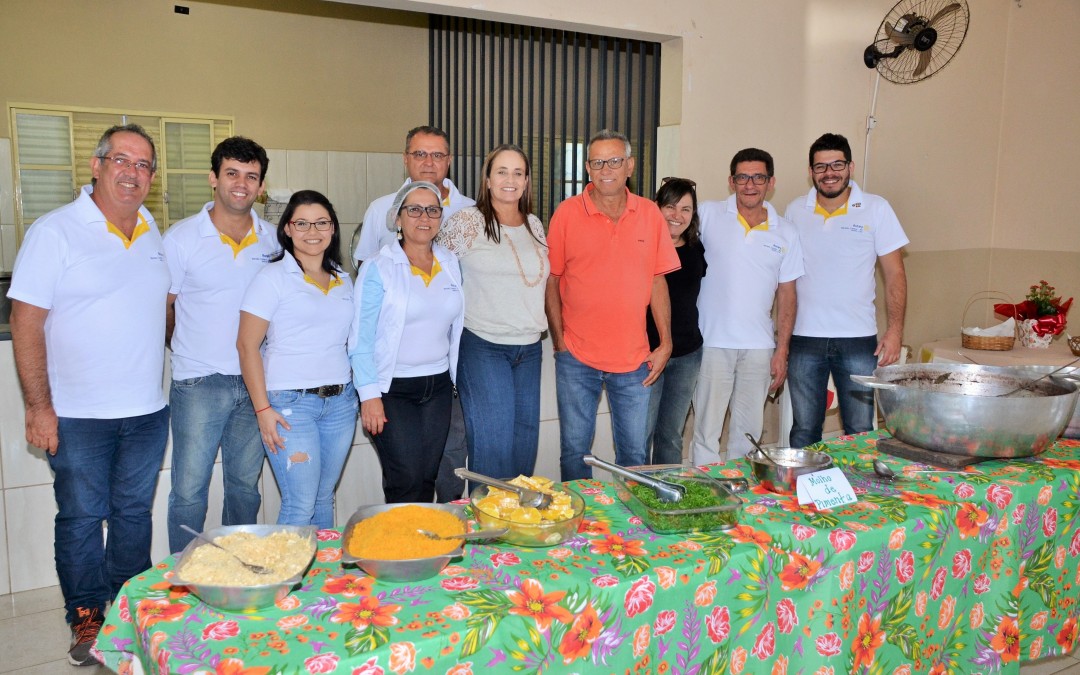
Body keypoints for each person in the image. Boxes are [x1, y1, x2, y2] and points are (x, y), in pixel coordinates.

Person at [8, 124, 170, 666]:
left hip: (147, 412)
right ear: (97, 166)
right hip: (78, 416)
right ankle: (86, 617)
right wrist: (38, 407)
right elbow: (26, 323)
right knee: (80, 516)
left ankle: (129, 611)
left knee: (131, 516)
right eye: (121, 160)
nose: (133, 172)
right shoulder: (55, 231)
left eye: (144, 164)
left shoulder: (150, 229)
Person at [164, 136, 280, 553]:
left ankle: (236, 569)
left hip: (255, 385)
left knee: (245, 489)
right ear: (213, 178)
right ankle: (180, 577)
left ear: (261, 186)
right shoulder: (181, 239)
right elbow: (166, 307)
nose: (241, 184)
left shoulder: (273, 241)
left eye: (252, 177)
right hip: (199, 382)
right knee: (190, 490)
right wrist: (187, 349)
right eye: (232, 173)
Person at [546, 129, 680, 481]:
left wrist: (665, 342)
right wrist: (560, 344)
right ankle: (582, 530)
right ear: (588, 168)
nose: (606, 169)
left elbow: (657, 281)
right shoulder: (567, 214)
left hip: (634, 361)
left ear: (630, 166)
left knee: (634, 455)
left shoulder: (650, 215)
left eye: (615, 160)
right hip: (577, 358)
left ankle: (631, 532)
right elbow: (553, 280)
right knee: (575, 452)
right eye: (598, 162)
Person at [353, 126, 473, 502]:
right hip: (393, 390)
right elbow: (360, 338)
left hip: (437, 387)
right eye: (414, 210)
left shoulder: (450, 263)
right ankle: (396, 555)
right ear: (398, 218)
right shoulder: (378, 267)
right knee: (404, 478)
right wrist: (369, 395)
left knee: (426, 476)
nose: (424, 217)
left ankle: (422, 556)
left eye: (432, 210)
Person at [237, 191, 357, 528]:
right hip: (290, 406)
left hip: (340, 403)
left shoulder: (343, 280)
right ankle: (284, 580)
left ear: (332, 229)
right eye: (301, 223)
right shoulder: (271, 278)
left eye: (321, 222)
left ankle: (322, 578)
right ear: (287, 229)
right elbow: (247, 346)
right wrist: (262, 410)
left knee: (323, 497)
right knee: (300, 502)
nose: (312, 231)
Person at [783, 133, 908, 447]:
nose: (829, 173)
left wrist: (895, 331)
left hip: (858, 340)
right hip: (805, 339)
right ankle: (802, 491)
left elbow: (895, 274)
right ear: (811, 171)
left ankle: (859, 493)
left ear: (850, 166)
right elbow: (784, 280)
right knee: (804, 430)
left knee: (860, 429)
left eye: (837, 164)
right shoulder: (795, 211)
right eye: (821, 166)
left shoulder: (876, 209)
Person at [437, 145, 548, 480]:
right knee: (493, 453)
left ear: (527, 181)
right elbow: (436, 279)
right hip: (483, 346)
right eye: (501, 171)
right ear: (487, 179)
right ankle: (488, 530)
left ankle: (517, 529)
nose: (509, 180)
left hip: (530, 349)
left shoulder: (534, 224)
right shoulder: (466, 222)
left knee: (523, 451)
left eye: (518, 173)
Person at [692, 148, 804, 464]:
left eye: (758, 177)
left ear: (771, 182)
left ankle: (744, 499)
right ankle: (706, 501)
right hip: (712, 344)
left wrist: (782, 350)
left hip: (759, 349)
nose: (750, 184)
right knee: (705, 434)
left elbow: (788, 296)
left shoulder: (786, 231)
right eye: (743, 177)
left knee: (749, 435)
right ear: (732, 181)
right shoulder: (708, 215)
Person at [645, 177, 706, 466]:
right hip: (647, 355)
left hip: (688, 355)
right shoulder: (642, 247)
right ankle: (636, 493)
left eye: (685, 209)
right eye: (670, 206)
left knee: (670, 435)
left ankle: (665, 494)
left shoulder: (696, 247)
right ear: (656, 207)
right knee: (640, 435)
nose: (677, 216)